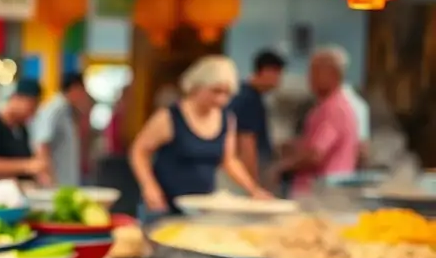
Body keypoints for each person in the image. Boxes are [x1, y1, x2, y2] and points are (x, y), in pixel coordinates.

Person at [129, 56, 270, 219]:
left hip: (200, 208)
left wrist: (254, 190)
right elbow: (139, 151)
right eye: (215, 91)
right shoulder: (169, 117)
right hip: (162, 206)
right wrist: (148, 186)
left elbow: (229, 160)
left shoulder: (227, 119)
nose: (221, 99)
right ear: (197, 86)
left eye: (227, 93)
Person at [271, 47, 359, 197]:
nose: (309, 78)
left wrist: (281, 168)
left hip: (322, 194)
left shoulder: (334, 108)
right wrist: (294, 145)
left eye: (315, 72)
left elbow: (315, 155)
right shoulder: (324, 106)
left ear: (333, 74)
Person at [0, 79, 47, 181]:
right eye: (31, 107)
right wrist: (26, 166)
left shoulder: (21, 129)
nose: (32, 114)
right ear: (16, 99)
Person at [229, 50, 285, 184]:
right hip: (248, 169)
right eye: (278, 75)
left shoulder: (246, 94)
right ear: (266, 71)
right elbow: (247, 143)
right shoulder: (249, 99)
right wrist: (252, 184)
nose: (279, 81)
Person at [31, 73, 95, 187]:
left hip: (66, 180)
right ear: (75, 88)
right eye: (82, 91)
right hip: (56, 183)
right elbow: (41, 143)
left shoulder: (68, 110)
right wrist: (47, 177)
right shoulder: (55, 109)